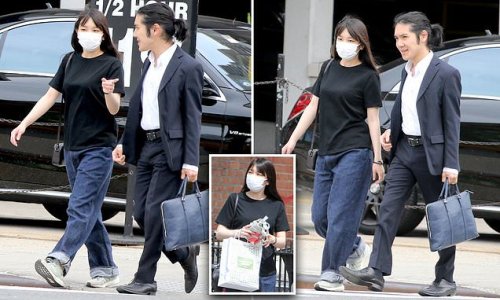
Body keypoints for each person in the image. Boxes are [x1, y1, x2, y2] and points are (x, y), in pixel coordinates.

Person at [340, 11, 462, 297]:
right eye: (396, 38)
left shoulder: (446, 74)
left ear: (423, 36)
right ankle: (376, 271)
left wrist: (452, 164)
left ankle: (445, 279)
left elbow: (452, 122)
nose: (399, 44)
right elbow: (404, 110)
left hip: (434, 156)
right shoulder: (408, 70)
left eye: (404, 37)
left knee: (442, 218)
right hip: (405, 150)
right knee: (389, 210)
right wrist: (390, 133)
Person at [10, 8, 124, 288]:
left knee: (80, 206)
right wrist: (24, 124)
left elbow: (114, 109)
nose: (89, 35)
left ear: (104, 34)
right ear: (76, 32)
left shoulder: (111, 63)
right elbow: (51, 95)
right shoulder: (69, 60)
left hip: (99, 147)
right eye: (84, 29)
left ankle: (59, 259)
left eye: (95, 30)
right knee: (90, 210)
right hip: (73, 147)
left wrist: (109, 93)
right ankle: (106, 268)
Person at [281, 15, 384, 292]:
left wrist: (377, 158)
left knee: (340, 216)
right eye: (341, 39)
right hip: (327, 152)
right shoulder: (328, 68)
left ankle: (332, 274)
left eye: (351, 40)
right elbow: (313, 107)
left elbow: (373, 120)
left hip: (356, 152)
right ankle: (354, 246)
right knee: (320, 218)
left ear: (361, 45)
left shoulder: (368, 76)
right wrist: (292, 139)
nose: (344, 44)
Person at [111, 2, 203, 296]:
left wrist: (191, 160)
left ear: (155, 29)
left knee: (153, 214)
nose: (134, 33)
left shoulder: (187, 66)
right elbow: (139, 107)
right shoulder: (148, 62)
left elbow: (193, 117)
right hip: (147, 147)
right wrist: (125, 142)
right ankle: (184, 254)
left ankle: (145, 278)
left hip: (170, 152)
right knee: (141, 213)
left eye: (138, 27)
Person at [215, 157, 290, 292]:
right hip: (238, 269)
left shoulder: (276, 205)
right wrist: (237, 232)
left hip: (265, 273)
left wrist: (271, 239)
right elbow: (219, 233)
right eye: (250, 172)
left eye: (259, 174)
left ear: (267, 181)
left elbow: (282, 242)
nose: (252, 176)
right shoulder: (235, 199)